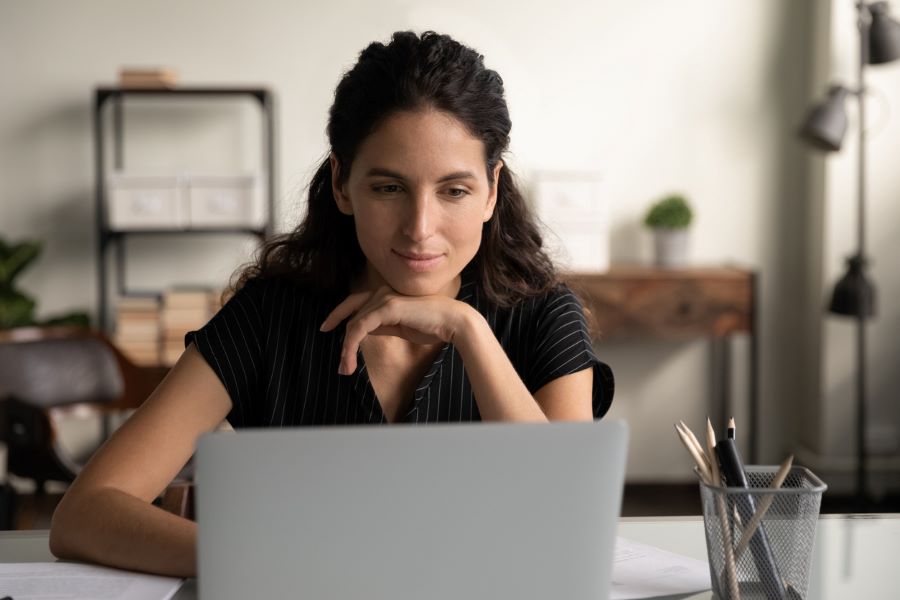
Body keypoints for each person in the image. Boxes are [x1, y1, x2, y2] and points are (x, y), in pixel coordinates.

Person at [49, 30, 614, 577]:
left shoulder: (543, 315)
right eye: (388, 188)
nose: (420, 228)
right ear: (343, 184)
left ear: (492, 190)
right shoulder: (271, 315)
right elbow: (85, 513)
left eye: (454, 190)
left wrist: (468, 331)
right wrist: (267, 562)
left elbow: (566, 527)